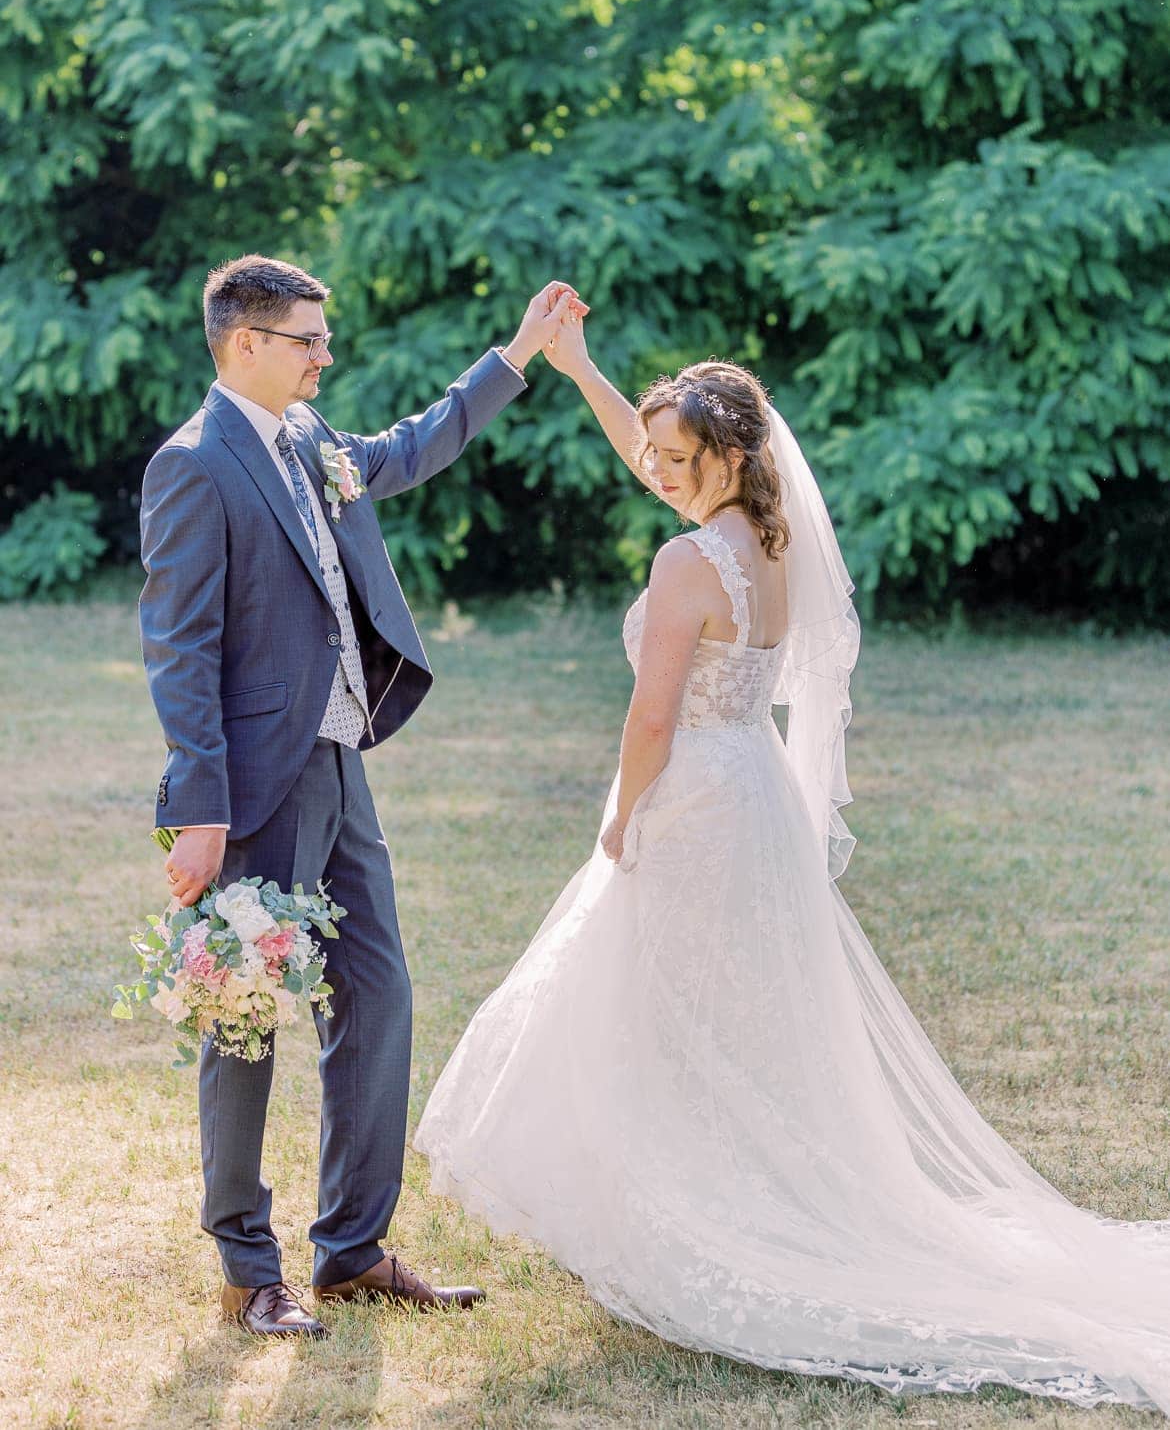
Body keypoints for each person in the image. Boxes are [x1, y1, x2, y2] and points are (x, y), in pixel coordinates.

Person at [415, 310, 1170, 1411]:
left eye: (678, 459)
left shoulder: (687, 560)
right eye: (658, 456)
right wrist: (578, 368)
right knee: (723, 1008)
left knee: (647, 1000)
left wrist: (624, 817)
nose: (658, 472)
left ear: (727, 457)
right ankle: (700, 1188)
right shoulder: (769, 541)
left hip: (690, 794)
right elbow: (653, 453)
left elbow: (651, 718)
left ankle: (690, 1215)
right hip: (753, 789)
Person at [138, 255, 579, 1340]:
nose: (325, 355)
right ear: (245, 342)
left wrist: (519, 351)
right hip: (254, 785)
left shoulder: (309, 438)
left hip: (340, 762)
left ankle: (352, 1250)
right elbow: (179, 649)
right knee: (245, 1015)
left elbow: (410, 447)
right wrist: (201, 808)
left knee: (377, 995)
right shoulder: (193, 465)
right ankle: (248, 1267)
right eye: (308, 339)